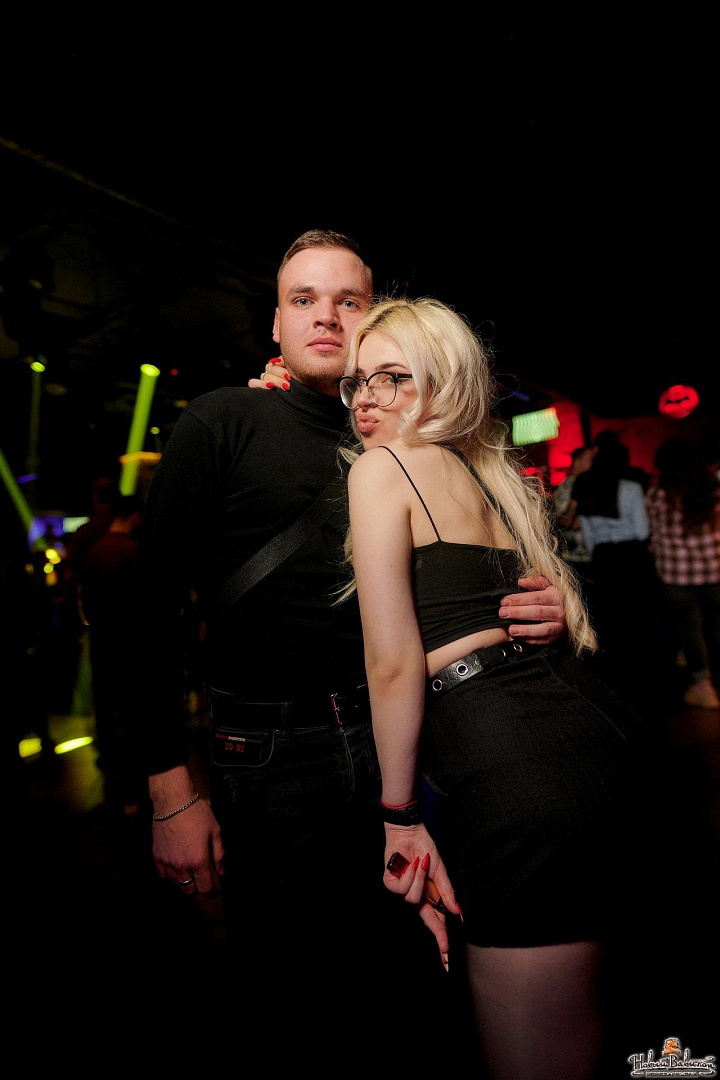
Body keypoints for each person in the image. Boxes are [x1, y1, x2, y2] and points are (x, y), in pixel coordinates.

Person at [136, 231, 569, 1053]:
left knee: (414, 982)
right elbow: (146, 614)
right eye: (303, 299)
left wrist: (538, 603)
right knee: (294, 993)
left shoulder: (398, 433)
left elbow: (468, 566)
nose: (326, 316)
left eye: (349, 301)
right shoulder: (223, 420)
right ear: (275, 323)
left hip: (407, 745)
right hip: (272, 757)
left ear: (376, 319)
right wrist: (169, 791)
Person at [339, 297, 654, 1078]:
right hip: (592, 738)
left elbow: (393, 663)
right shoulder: (488, 477)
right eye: (356, 381)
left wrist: (399, 817)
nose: (367, 398)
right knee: (588, 1027)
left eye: (392, 377)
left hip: (518, 770)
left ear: (443, 382)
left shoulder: (383, 469)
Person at [570, 429, 656, 709]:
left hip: (603, 558)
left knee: (610, 620)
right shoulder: (630, 487)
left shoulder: (587, 486)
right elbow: (642, 531)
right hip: (631, 557)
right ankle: (645, 677)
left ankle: (616, 683)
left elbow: (589, 537)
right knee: (637, 618)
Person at [81, 493, 148, 810]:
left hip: (101, 644)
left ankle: (112, 779)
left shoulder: (94, 552)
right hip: (129, 647)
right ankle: (133, 787)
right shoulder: (132, 552)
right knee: (132, 714)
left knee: (106, 710)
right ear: (135, 516)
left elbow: (83, 603)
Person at [645, 437, 720, 709]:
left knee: (690, 629)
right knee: (715, 627)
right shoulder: (712, 490)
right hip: (714, 568)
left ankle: (703, 686)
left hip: (676, 573)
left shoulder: (657, 494)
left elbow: (651, 530)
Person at [552, 443, 596, 589]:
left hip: (587, 556)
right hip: (575, 557)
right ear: (577, 461)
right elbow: (563, 522)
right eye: (590, 459)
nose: (594, 463)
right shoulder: (568, 487)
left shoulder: (586, 484)